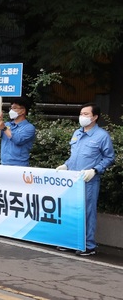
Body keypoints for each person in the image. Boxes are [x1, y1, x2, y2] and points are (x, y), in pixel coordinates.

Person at [56, 103, 115, 256]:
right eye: (81, 113)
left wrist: (95, 170)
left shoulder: (102, 136)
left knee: (87, 212)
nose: (82, 116)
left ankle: (88, 245)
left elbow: (109, 157)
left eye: (86, 114)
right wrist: (66, 165)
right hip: (72, 179)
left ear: (95, 117)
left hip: (89, 180)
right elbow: (74, 155)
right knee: (70, 210)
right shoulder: (77, 133)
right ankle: (70, 241)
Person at [0, 97, 35, 166]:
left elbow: (18, 140)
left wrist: (4, 128)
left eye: (14, 108)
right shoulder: (8, 124)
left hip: (19, 166)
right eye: (11, 108)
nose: (11, 111)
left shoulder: (29, 128)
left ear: (23, 111)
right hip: (4, 164)